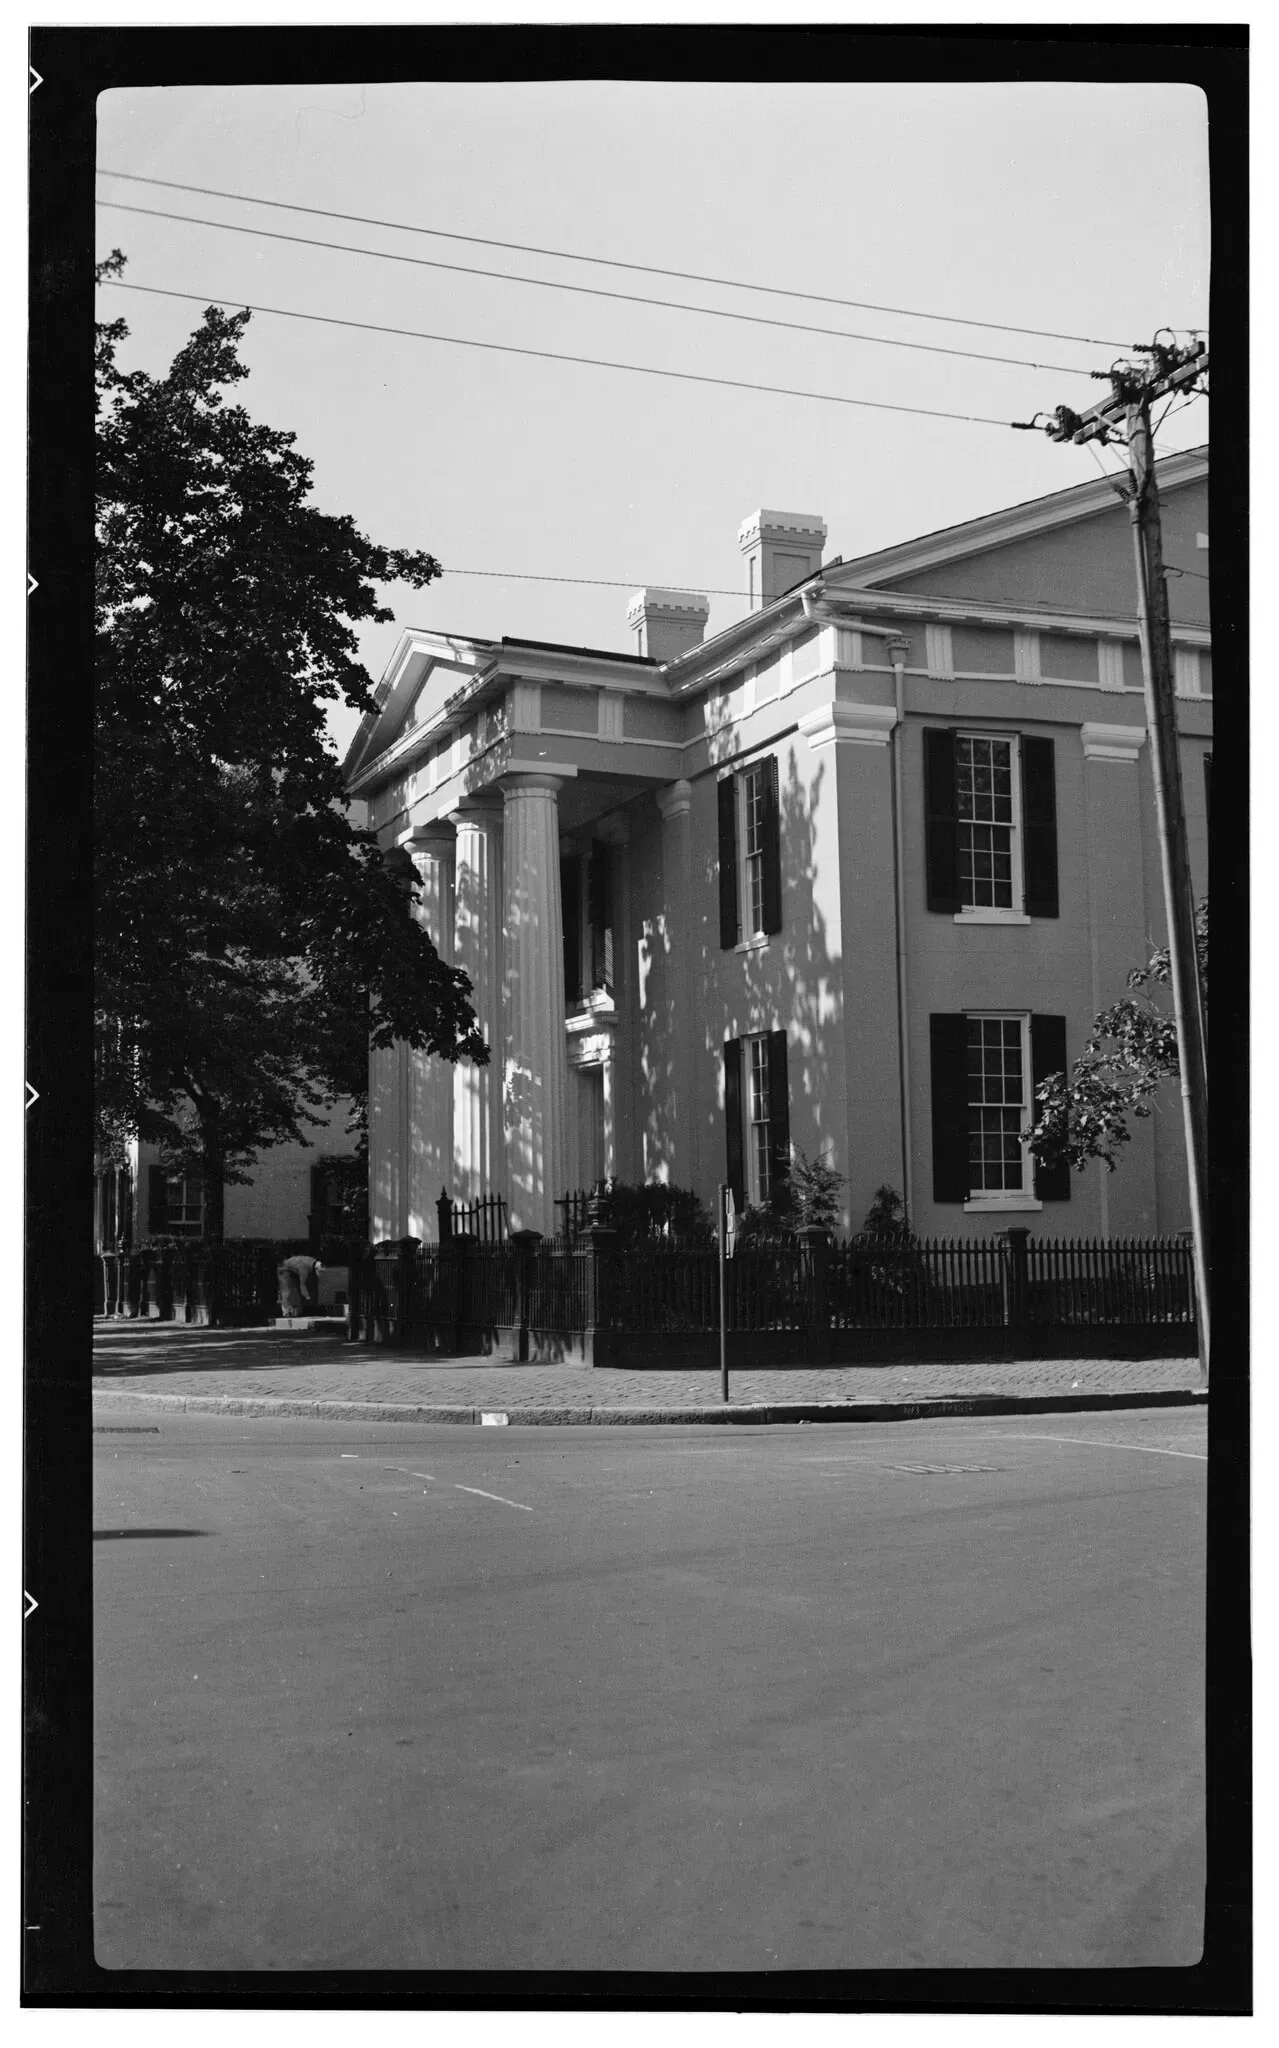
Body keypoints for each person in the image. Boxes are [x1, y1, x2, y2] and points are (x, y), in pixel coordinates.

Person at [278, 1253, 322, 1318]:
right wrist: (308, 1298)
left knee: (296, 1292)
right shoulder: (304, 1271)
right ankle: (286, 1312)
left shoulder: (313, 1262)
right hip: (284, 1269)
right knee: (287, 1292)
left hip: (294, 1270)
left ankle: (297, 1311)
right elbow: (302, 1286)